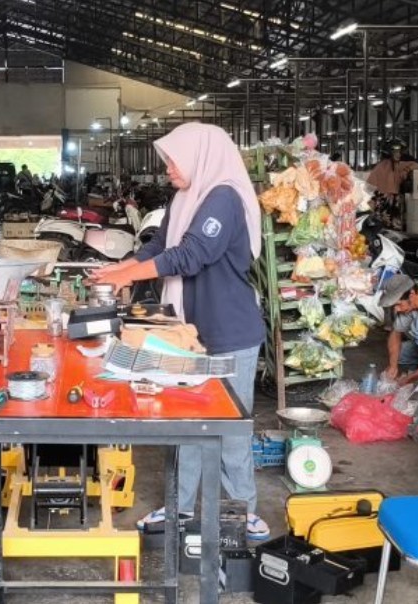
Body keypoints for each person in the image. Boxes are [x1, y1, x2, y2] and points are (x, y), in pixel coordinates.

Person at [90, 122, 269, 541]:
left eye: (174, 160)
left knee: (230, 429)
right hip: (187, 331)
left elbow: (192, 254)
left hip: (229, 332)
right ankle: (179, 509)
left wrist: (130, 274)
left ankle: (242, 512)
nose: (168, 168)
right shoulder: (186, 196)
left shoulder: (223, 196)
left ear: (199, 157)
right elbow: (161, 245)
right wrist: (122, 267)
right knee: (185, 424)